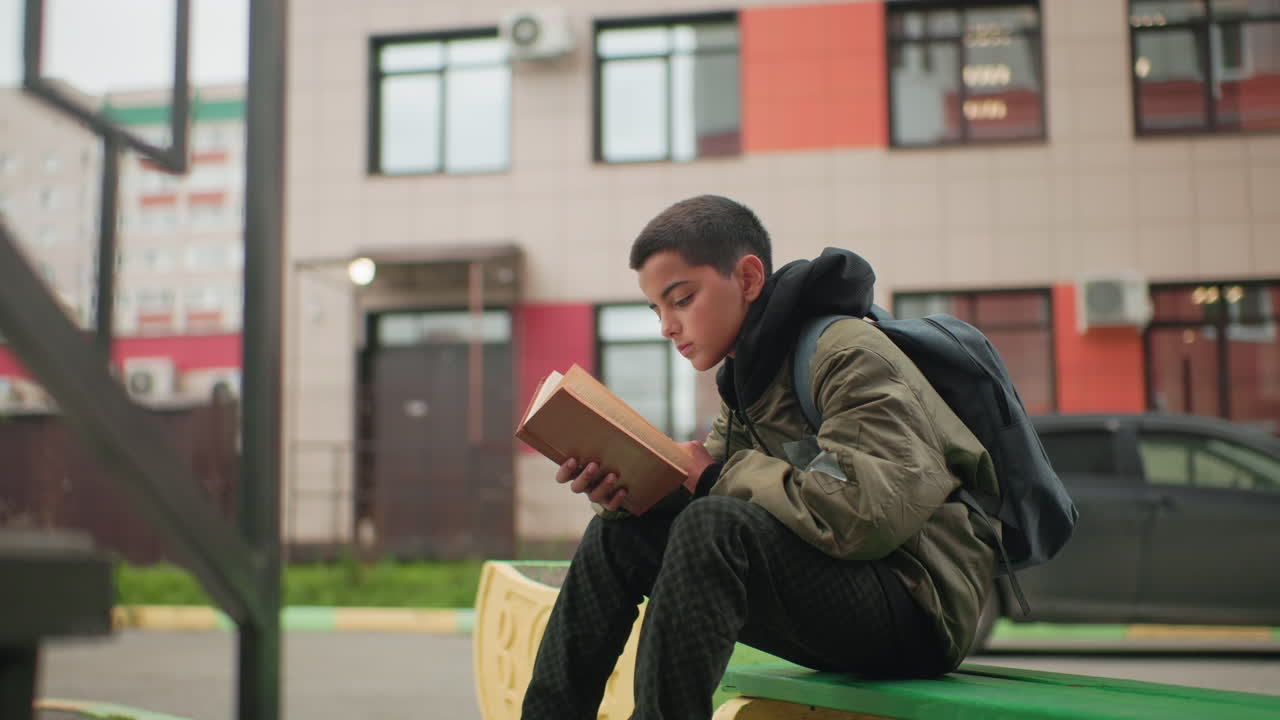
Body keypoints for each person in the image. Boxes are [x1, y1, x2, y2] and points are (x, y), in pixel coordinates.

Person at [521, 195, 999, 719]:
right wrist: (627, 493)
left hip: (918, 608)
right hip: (839, 591)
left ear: (748, 278)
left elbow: (868, 515)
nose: (667, 327)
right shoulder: (750, 381)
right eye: (656, 309)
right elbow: (710, 493)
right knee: (623, 533)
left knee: (715, 522)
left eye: (681, 299)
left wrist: (713, 475)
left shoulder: (847, 354)